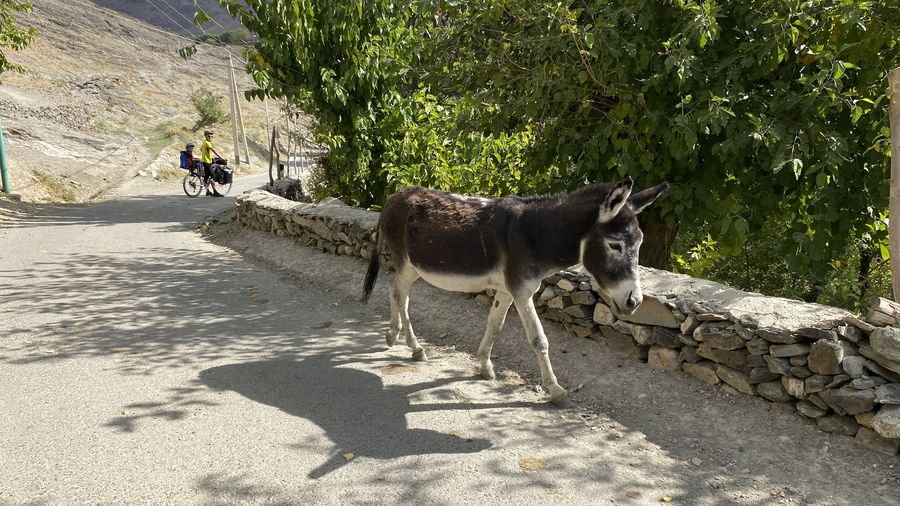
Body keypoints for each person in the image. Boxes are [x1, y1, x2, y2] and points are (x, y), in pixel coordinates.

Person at [200, 130, 224, 197]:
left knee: (206, 178)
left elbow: (201, 149)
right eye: (208, 135)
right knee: (213, 177)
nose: (210, 136)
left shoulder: (204, 142)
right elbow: (214, 150)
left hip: (205, 161)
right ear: (205, 136)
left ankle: (207, 191)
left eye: (211, 135)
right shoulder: (207, 143)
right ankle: (215, 192)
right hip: (207, 162)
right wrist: (221, 158)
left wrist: (206, 155)